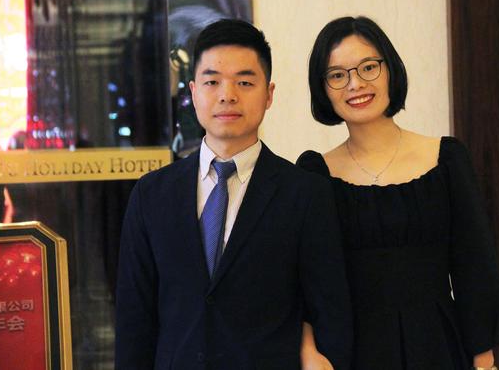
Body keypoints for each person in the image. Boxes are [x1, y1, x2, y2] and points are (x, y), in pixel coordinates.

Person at [115, 19, 352, 370]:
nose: (227, 95)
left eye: (245, 82)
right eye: (212, 82)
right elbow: (134, 321)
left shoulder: (305, 194)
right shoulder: (151, 195)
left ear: (269, 94)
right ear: (193, 92)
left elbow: (330, 314)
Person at [297, 16, 499, 370]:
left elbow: (475, 267)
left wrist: (483, 359)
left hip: (437, 345)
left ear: (390, 69)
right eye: (337, 75)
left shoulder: (446, 159)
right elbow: (303, 281)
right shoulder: (314, 174)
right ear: (324, 89)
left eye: (368, 67)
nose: (355, 84)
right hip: (349, 352)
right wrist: (309, 353)